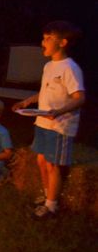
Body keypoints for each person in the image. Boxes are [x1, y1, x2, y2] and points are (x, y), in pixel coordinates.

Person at [12, 21, 85, 220]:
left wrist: (59, 111)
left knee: (53, 164)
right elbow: (45, 91)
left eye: (48, 39)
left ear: (62, 42)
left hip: (59, 125)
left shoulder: (70, 68)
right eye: (43, 38)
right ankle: (47, 196)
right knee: (41, 159)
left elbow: (80, 97)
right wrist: (27, 101)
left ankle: (51, 206)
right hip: (43, 122)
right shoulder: (49, 66)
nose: (42, 42)